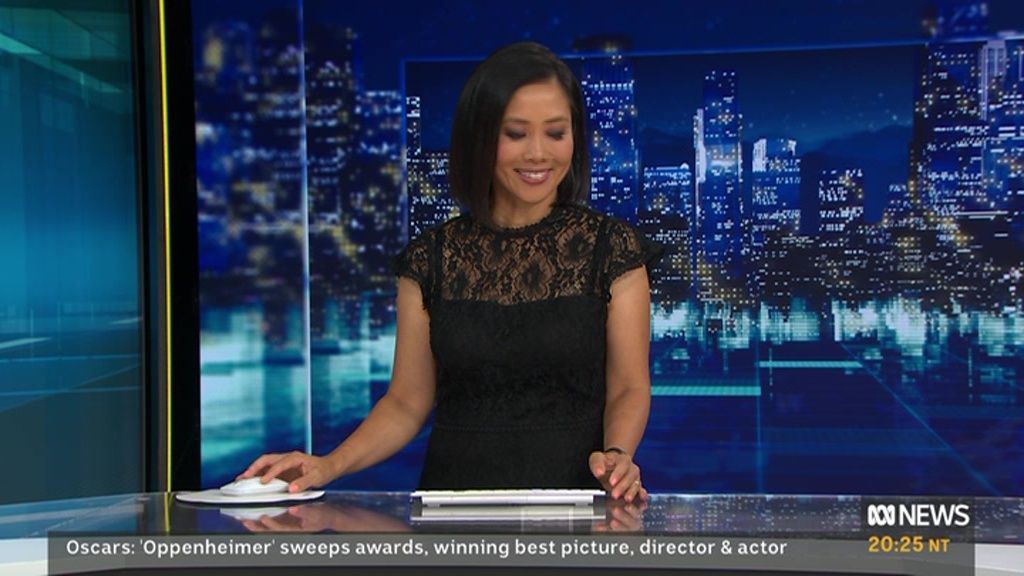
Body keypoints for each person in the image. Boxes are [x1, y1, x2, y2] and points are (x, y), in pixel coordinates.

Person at [238, 42, 661, 502]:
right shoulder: (431, 259)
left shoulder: (612, 250)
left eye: (556, 133)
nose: (538, 153)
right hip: (453, 508)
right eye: (515, 134)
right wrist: (328, 465)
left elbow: (629, 387)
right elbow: (406, 403)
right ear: (480, 138)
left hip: (575, 505)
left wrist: (618, 454)